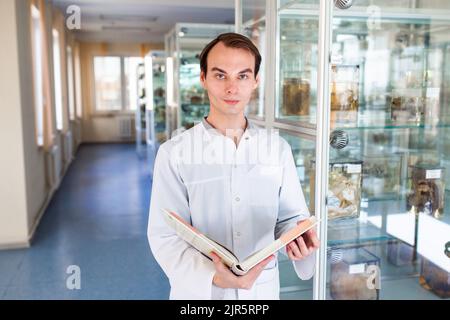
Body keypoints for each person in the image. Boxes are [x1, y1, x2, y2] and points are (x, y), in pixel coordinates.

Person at [147, 32, 319, 300]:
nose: (232, 87)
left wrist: (297, 240)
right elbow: (165, 235)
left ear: (255, 81)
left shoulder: (278, 149)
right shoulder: (174, 154)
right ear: (203, 78)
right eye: (220, 75)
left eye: (242, 75)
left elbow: (289, 218)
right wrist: (212, 275)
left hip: (260, 293)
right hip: (202, 295)